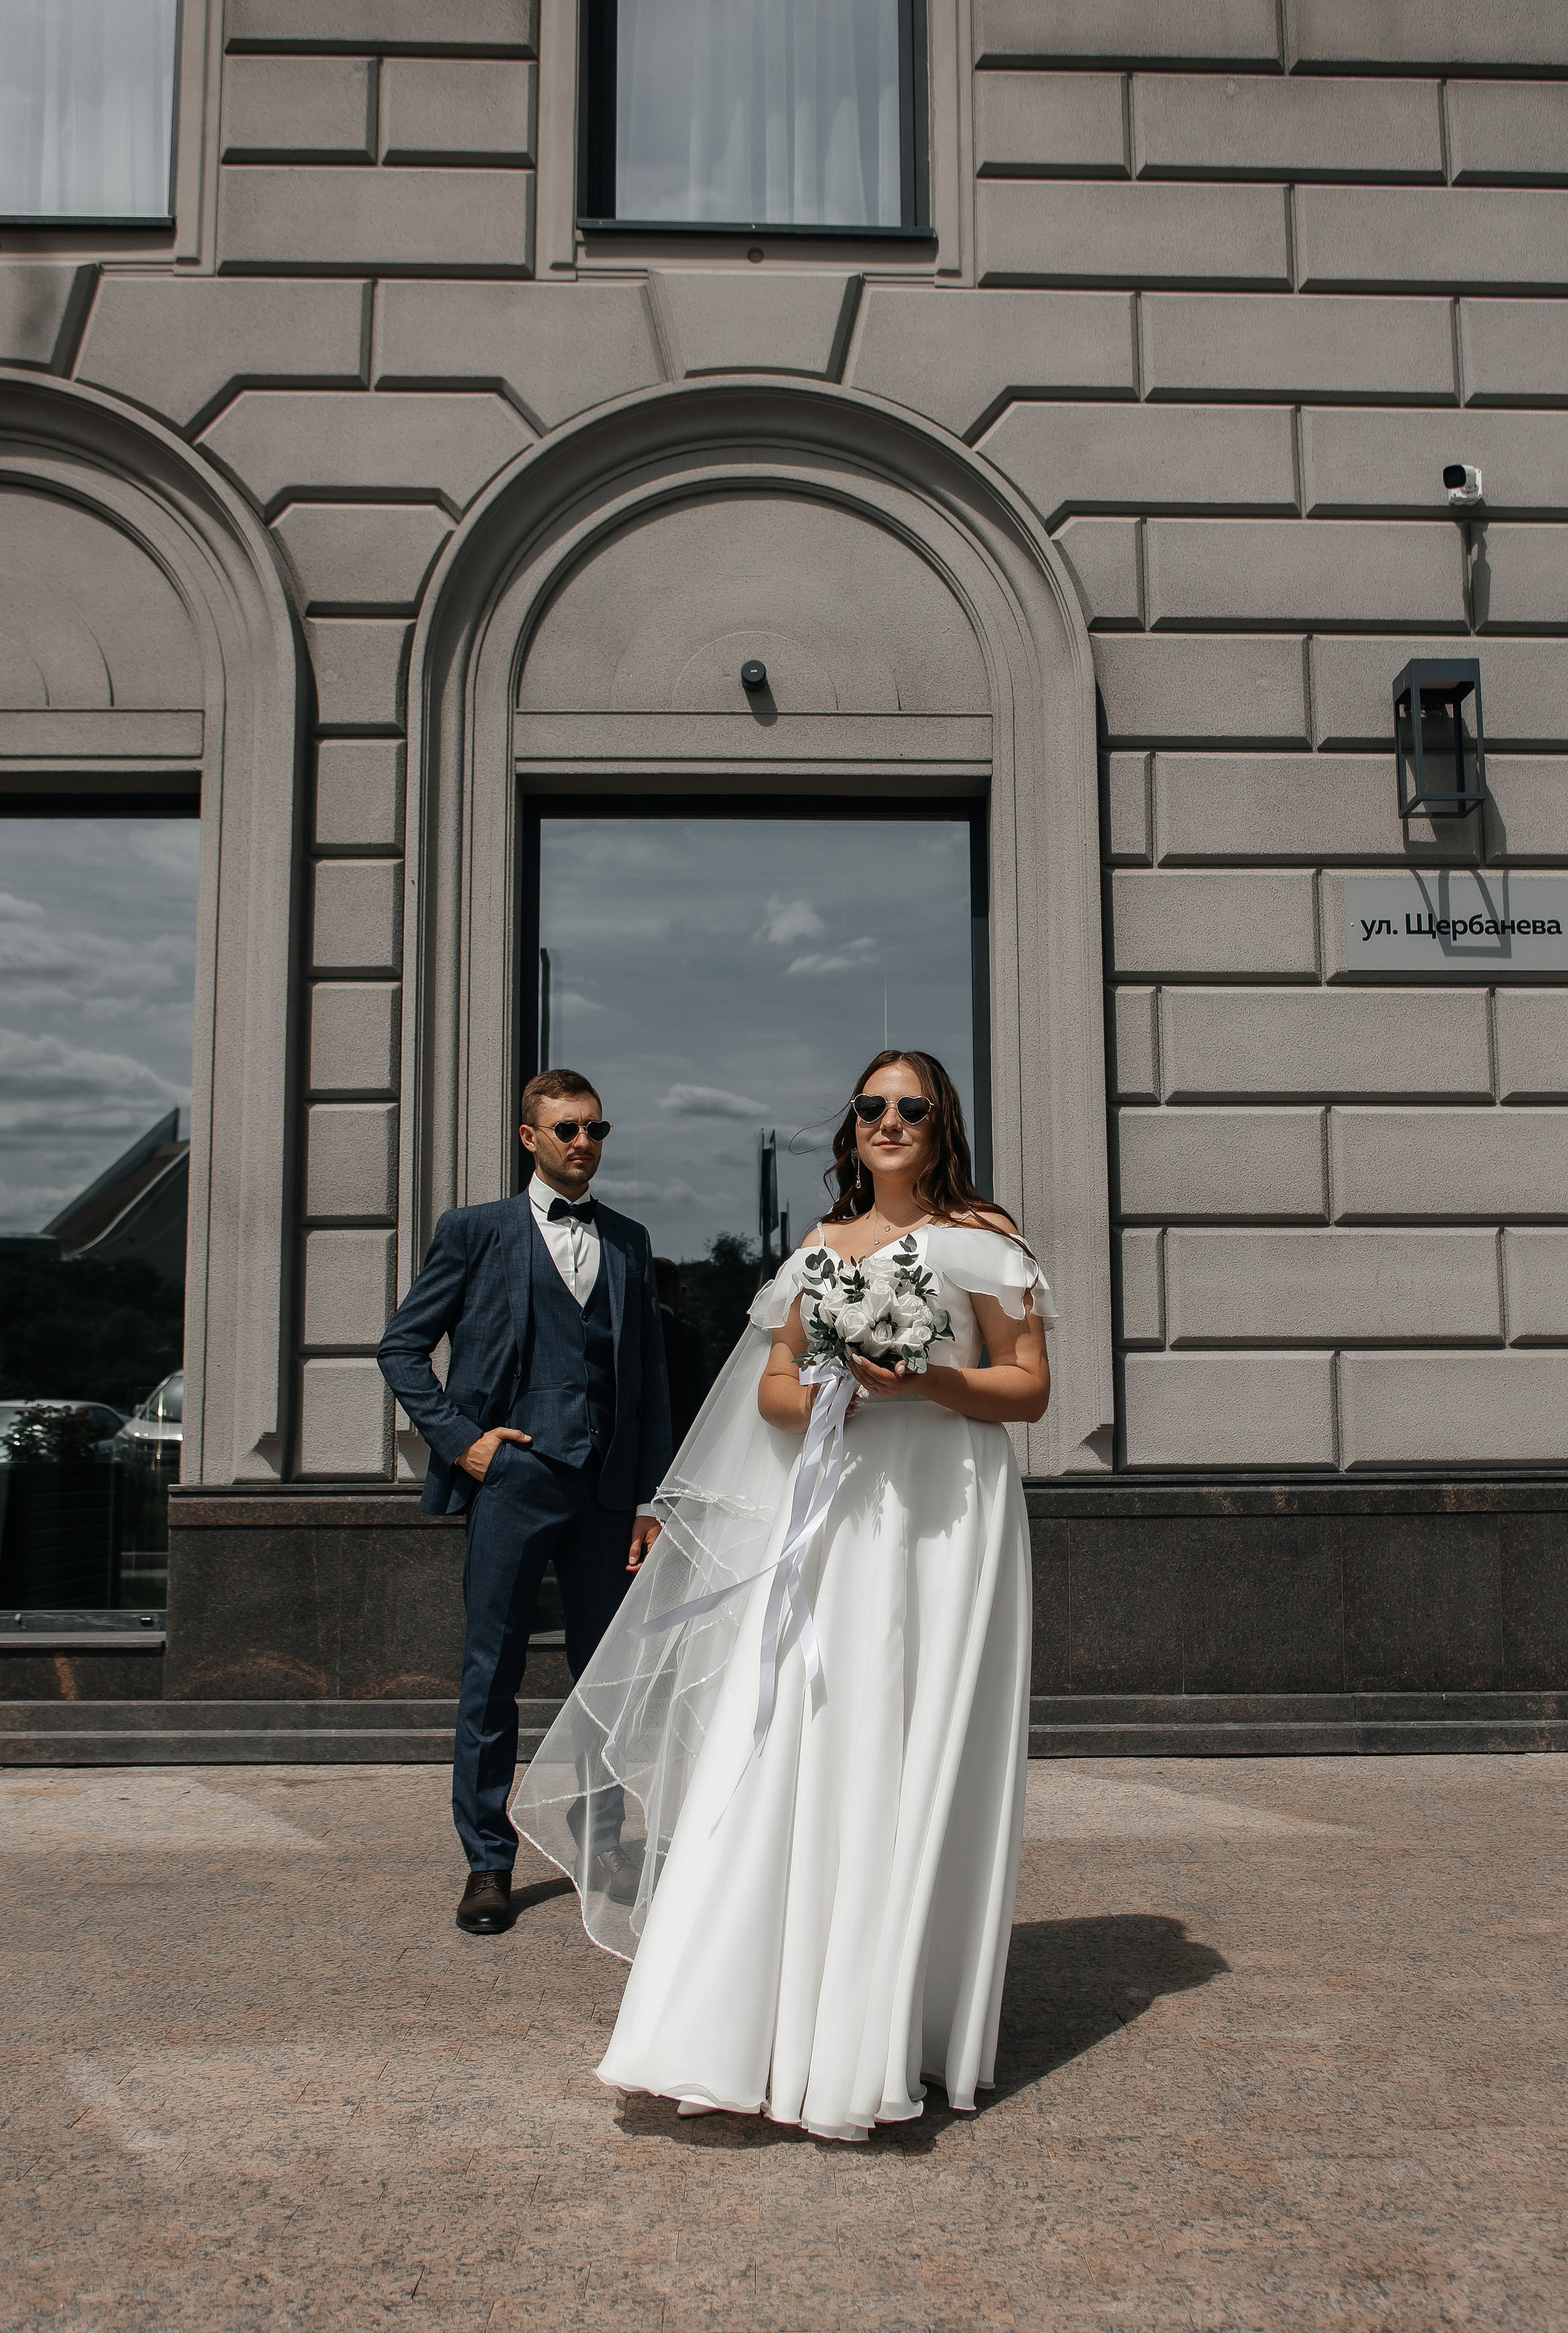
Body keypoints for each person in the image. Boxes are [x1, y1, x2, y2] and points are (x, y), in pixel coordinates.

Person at [513, 1049, 1054, 2141]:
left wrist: (932, 1380)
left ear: (942, 1123)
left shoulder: (984, 1237)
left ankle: (889, 2016)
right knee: (803, 1737)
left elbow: (1030, 1387)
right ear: (851, 1129)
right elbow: (769, 1388)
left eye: (911, 1105)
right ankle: (742, 2017)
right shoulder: (820, 1250)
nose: (889, 1119)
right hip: (839, 1510)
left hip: (947, 1517)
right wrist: (835, 1389)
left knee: (912, 1739)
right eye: (871, 1106)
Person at [377, 1068, 671, 1936]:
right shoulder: (474, 1232)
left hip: (609, 1493)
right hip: (512, 1480)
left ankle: (603, 1846)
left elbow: (650, 1380)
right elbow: (401, 1346)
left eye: (596, 1129)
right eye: (568, 1129)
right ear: (530, 1137)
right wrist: (462, 1438)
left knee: (604, 1681)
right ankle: (487, 1862)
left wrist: (652, 1497)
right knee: (490, 1673)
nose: (585, 1143)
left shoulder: (627, 1239)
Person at [652, 1257, 710, 1449]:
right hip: (680, 1440)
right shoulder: (689, 1337)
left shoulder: (628, 1335)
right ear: (676, 1290)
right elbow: (698, 1397)